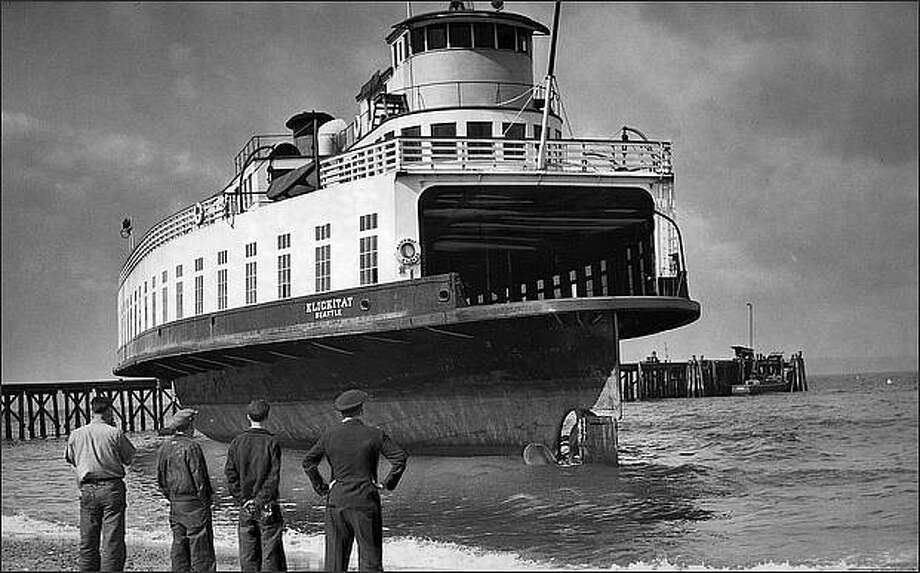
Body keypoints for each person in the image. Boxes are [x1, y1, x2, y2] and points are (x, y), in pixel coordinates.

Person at [302, 389, 408, 572]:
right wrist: (386, 484)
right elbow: (400, 458)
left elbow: (308, 462)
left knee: (335, 562)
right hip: (365, 500)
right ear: (361, 410)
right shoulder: (375, 434)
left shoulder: (329, 435)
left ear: (341, 412)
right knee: (370, 561)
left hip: (337, 501)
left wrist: (323, 488)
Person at [65, 395, 136, 572]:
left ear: (92, 410)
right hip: (111, 487)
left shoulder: (76, 434)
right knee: (112, 539)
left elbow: (72, 460)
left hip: (87, 488)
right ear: (109, 410)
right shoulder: (115, 433)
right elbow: (129, 458)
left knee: (88, 539)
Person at [225, 399, 287, 572]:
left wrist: (243, 499)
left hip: (245, 505)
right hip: (267, 505)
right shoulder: (272, 442)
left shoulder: (237, 442)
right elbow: (273, 478)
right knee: (270, 551)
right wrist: (259, 500)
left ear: (247, 417)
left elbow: (230, 474)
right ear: (267, 416)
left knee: (248, 553)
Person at [156, 408, 216, 572]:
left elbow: (160, 480)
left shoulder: (165, 448)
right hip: (194, 504)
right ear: (190, 426)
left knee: (179, 547)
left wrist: (172, 497)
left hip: (176, 504)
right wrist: (206, 501)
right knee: (201, 551)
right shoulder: (192, 447)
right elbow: (200, 478)